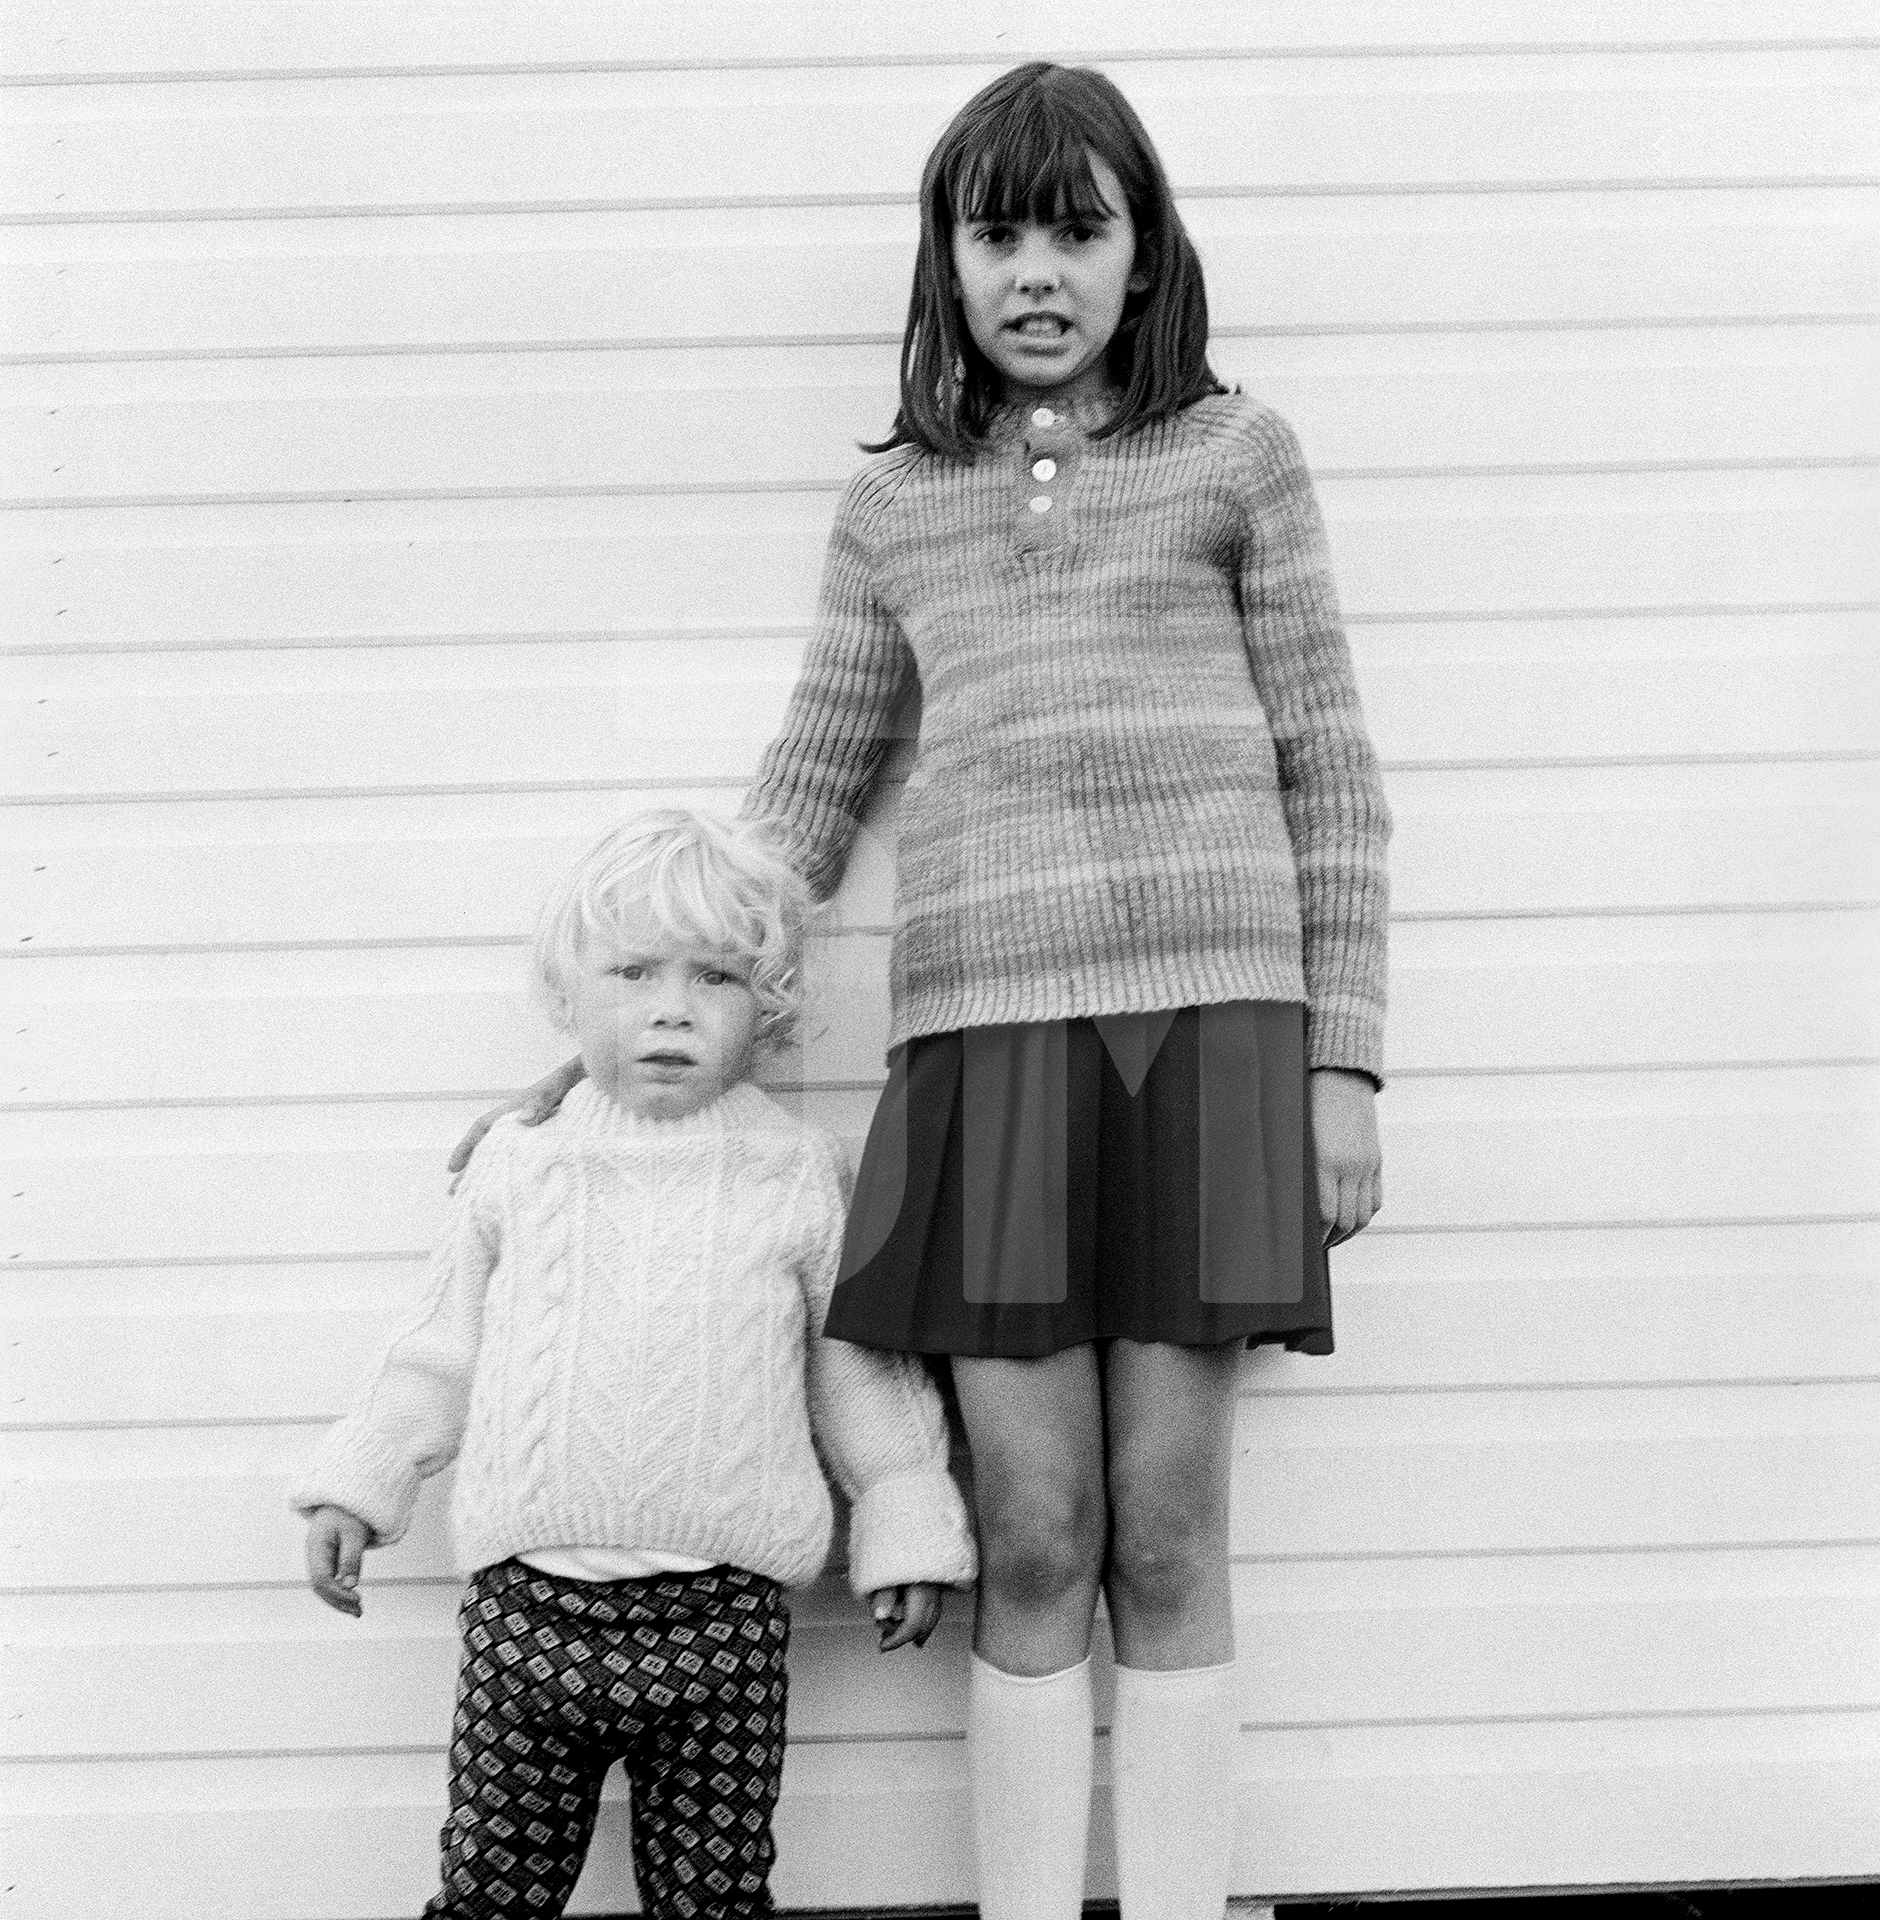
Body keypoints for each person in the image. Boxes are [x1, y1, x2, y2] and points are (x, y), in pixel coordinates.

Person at [451, 59, 1389, 1920]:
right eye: (997, 231)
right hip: (989, 1056)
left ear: (1145, 252)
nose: (1037, 267)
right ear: (947, 264)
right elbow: (812, 780)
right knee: (1033, 1533)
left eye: (1078, 227)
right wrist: (628, 1037)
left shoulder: (1239, 458)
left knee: (1174, 1532)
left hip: (1214, 1045)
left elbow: (1331, 769)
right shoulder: (896, 509)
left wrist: (1342, 1066)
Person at [297, 808, 975, 1920]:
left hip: (726, 1626)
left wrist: (905, 1516)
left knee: (712, 1900)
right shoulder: (522, 1165)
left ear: (770, 1005)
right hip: (529, 1621)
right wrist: (361, 1484)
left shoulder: (795, 1171)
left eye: (715, 977)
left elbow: (856, 1369)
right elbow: (439, 1345)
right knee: (490, 1891)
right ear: (571, 999)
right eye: (633, 974)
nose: (671, 1005)